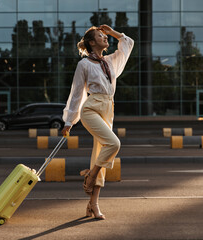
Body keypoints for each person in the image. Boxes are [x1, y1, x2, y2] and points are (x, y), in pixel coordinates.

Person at [61, 25, 134, 220]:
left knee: (99, 155)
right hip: (91, 108)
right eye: (101, 36)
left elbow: (128, 43)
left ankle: (92, 204)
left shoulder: (111, 62)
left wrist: (112, 32)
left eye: (105, 36)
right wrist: (69, 121)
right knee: (114, 144)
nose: (105, 38)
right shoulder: (84, 64)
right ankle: (91, 176)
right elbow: (76, 93)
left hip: (108, 108)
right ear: (92, 42)